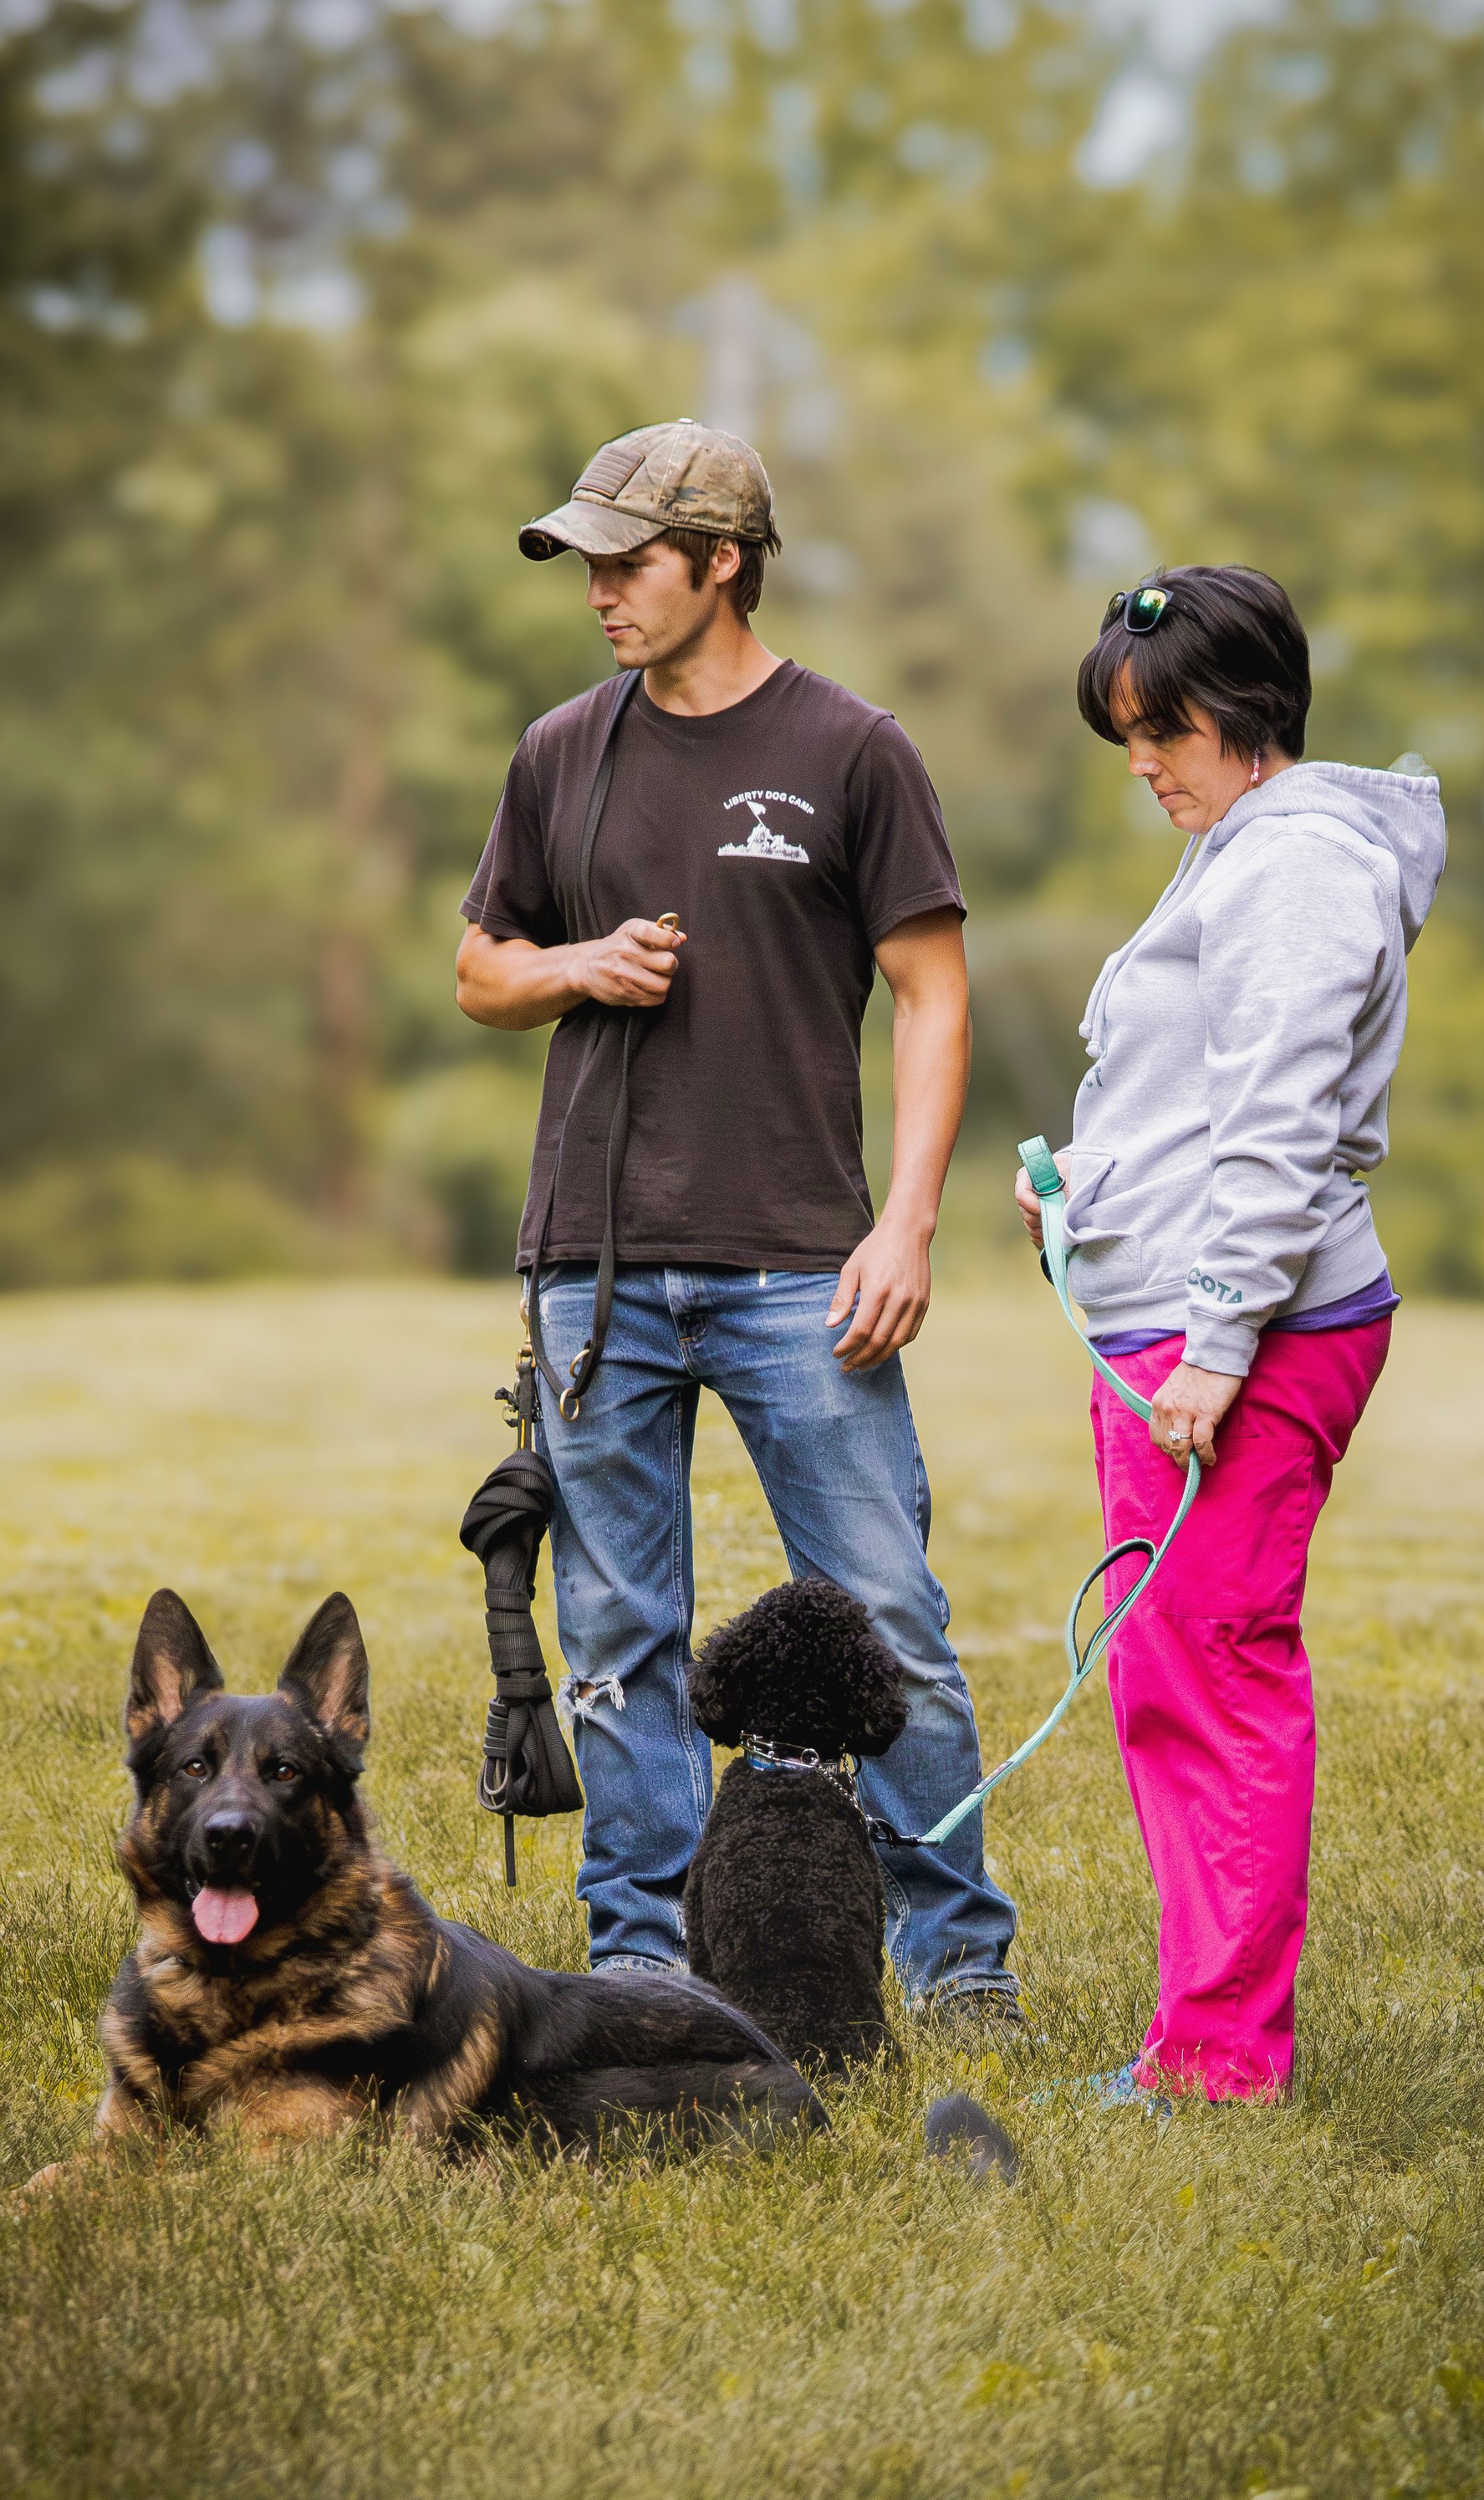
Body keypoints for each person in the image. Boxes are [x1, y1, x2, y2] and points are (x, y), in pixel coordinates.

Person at [456, 418, 1021, 2030]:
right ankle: (641, 1953)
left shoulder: (855, 751)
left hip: (800, 1266)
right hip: (595, 1269)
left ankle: (957, 1957)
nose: (598, 594)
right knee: (620, 1628)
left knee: (883, 1606)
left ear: (723, 563)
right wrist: (577, 968)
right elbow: (481, 967)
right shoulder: (560, 750)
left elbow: (932, 995)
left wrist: (906, 1223)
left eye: (626, 563)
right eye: (586, 564)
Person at [1017, 565, 1445, 2106]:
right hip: (1180, 1326)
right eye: (1127, 732)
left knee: (1215, 1672)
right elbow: (1196, 1102)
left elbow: (1278, 1121)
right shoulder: (1243, 848)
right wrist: (1090, 1204)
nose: (1141, 761)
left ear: (1247, 713)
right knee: (1171, 1673)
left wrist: (1211, 1338)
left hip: (1240, 1347)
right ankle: (1199, 2035)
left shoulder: (1296, 866)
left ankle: (1218, 2061)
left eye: (1163, 729)